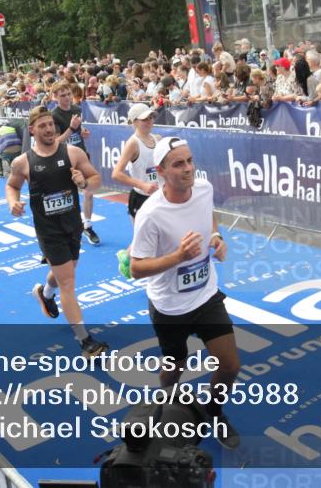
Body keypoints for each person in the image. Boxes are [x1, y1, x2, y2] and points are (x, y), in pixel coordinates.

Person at [129, 137, 241, 449]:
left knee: (230, 365)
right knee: (174, 367)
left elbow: (209, 214)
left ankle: (214, 411)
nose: (188, 168)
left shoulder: (204, 188)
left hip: (206, 296)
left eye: (190, 160)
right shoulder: (150, 214)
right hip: (170, 307)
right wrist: (177, 257)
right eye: (178, 164)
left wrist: (216, 236)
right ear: (161, 171)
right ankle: (161, 409)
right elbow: (136, 268)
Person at [5, 106, 108, 359]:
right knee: (68, 282)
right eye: (43, 126)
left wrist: (83, 182)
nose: (49, 129)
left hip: (72, 226)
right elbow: (11, 186)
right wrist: (12, 203)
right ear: (32, 130)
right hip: (48, 231)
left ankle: (44, 293)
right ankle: (85, 341)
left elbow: (96, 179)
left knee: (67, 271)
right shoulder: (23, 162)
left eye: (51, 124)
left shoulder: (72, 152)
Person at [112, 104, 161, 278]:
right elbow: (116, 173)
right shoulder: (133, 143)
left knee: (155, 239)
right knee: (144, 242)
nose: (150, 121)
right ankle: (128, 259)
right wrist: (142, 185)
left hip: (158, 198)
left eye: (151, 117)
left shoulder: (157, 139)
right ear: (135, 122)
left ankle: (129, 256)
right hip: (140, 199)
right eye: (145, 119)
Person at [50, 81, 100, 245]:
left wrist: (82, 131)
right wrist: (71, 129)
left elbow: (79, 131)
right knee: (66, 194)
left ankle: (88, 225)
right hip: (64, 158)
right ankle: (67, 228)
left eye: (68, 94)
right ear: (55, 97)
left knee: (89, 190)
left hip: (81, 155)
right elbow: (55, 141)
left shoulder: (77, 110)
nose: (67, 98)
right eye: (62, 95)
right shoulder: (54, 115)